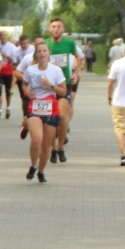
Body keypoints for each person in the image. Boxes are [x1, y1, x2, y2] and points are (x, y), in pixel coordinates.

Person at [17, 42, 66, 184]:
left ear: (49, 53)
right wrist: (27, 91)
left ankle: (41, 171)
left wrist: (51, 85)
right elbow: (24, 83)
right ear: (36, 54)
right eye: (39, 51)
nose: (42, 53)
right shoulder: (31, 70)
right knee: (37, 140)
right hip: (35, 107)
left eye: (44, 51)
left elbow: (63, 91)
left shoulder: (56, 70)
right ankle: (33, 165)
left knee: (46, 146)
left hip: (51, 109)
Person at [46, 18, 79, 164]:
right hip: (48, 86)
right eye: (53, 26)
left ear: (63, 29)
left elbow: (78, 57)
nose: (56, 29)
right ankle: (53, 148)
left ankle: (60, 147)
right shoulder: (45, 44)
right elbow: (35, 62)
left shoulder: (69, 43)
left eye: (59, 26)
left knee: (63, 116)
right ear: (49, 29)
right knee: (50, 118)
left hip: (64, 84)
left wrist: (75, 72)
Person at [0, 30, 19, 120]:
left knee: (8, 91)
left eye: (5, 35)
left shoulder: (12, 47)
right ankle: (0, 110)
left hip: (8, 71)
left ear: (7, 36)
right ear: (0, 37)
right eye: (2, 35)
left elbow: (14, 60)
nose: (3, 37)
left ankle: (8, 108)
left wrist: (6, 56)